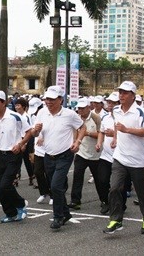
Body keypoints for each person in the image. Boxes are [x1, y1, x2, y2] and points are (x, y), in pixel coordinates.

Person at [103, 81, 144, 235]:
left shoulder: (140, 112)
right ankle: (116, 219)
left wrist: (127, 130)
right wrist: (116, 138)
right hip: (119, 157)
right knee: (114, 188)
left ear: (133, 95)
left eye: (125, 92)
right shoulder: (116, 109)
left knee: (142, 192)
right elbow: (118, 126)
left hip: (137, 159)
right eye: (120, 92)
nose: (121, 95)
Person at [32, 86, 84, 230]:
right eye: (47, 99)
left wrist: (77, 142)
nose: (48, 102)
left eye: (52, 99)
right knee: (55, 187)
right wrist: (35, 131)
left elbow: (82, 127)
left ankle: (58, 217)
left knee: (55, 186)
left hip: (65, 155)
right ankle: (66, 213)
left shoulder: (69, 114)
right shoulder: (41, 113)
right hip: (48, 155)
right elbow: (34, 133)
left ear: (60, 100)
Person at [0, 90, 32, 223]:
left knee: (5, 185)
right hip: (0, 155)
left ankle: (21, 204)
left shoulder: (15, 117)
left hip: (14, 154)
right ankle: (10, 213)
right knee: (0, 189)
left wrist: (21, 143)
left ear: (4, 102)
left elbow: (28, 132)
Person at [68, 98, 103, 212]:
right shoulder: (76, 118)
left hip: (95, 154)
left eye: (83, 108)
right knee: (77, 176)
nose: (80, 110)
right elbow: (74, 132)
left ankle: (104, 200)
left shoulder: (96, 118)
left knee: (99, 180)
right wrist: (74, 143)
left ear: (89, 107)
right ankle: (75, 201)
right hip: (81, 152)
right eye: (79, 108)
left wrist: (87, 133)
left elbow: (101, 134)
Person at [95, 92, 120, 215]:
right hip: (106, 155)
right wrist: (99, 143)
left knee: (119, 185)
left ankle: (120, 204)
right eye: (109, 102)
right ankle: (105, 201)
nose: (110, 105)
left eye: (114, 103)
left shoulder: (123, 117)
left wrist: (115, 135)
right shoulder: (105, 117)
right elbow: (101, 132)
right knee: (102, 179)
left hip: (120, 156)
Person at [14, 97, 35, 186]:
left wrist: (25, 143)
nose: (16, 107)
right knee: (16, 160)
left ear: (23, 107)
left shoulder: (27, 117)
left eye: (18, 105)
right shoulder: (15, 116)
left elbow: (29, 131)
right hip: (17, 140)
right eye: (16, 105)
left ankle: (31, 176)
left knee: (27, 160)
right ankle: (15, 177)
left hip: (26, 140)